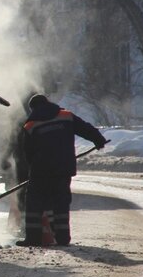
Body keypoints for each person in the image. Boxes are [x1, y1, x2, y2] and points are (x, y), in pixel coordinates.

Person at [16, 94, 107, 246]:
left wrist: (33, 171)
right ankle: (63, 239)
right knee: (61, 203)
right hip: (63, 169)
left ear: (32, 108)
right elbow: (85, 128)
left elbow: (28, 153)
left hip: (41, 170)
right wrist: (99, 140)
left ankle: (33, 238)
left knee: (34, 203)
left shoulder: (30, 125)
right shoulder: (65, 116)